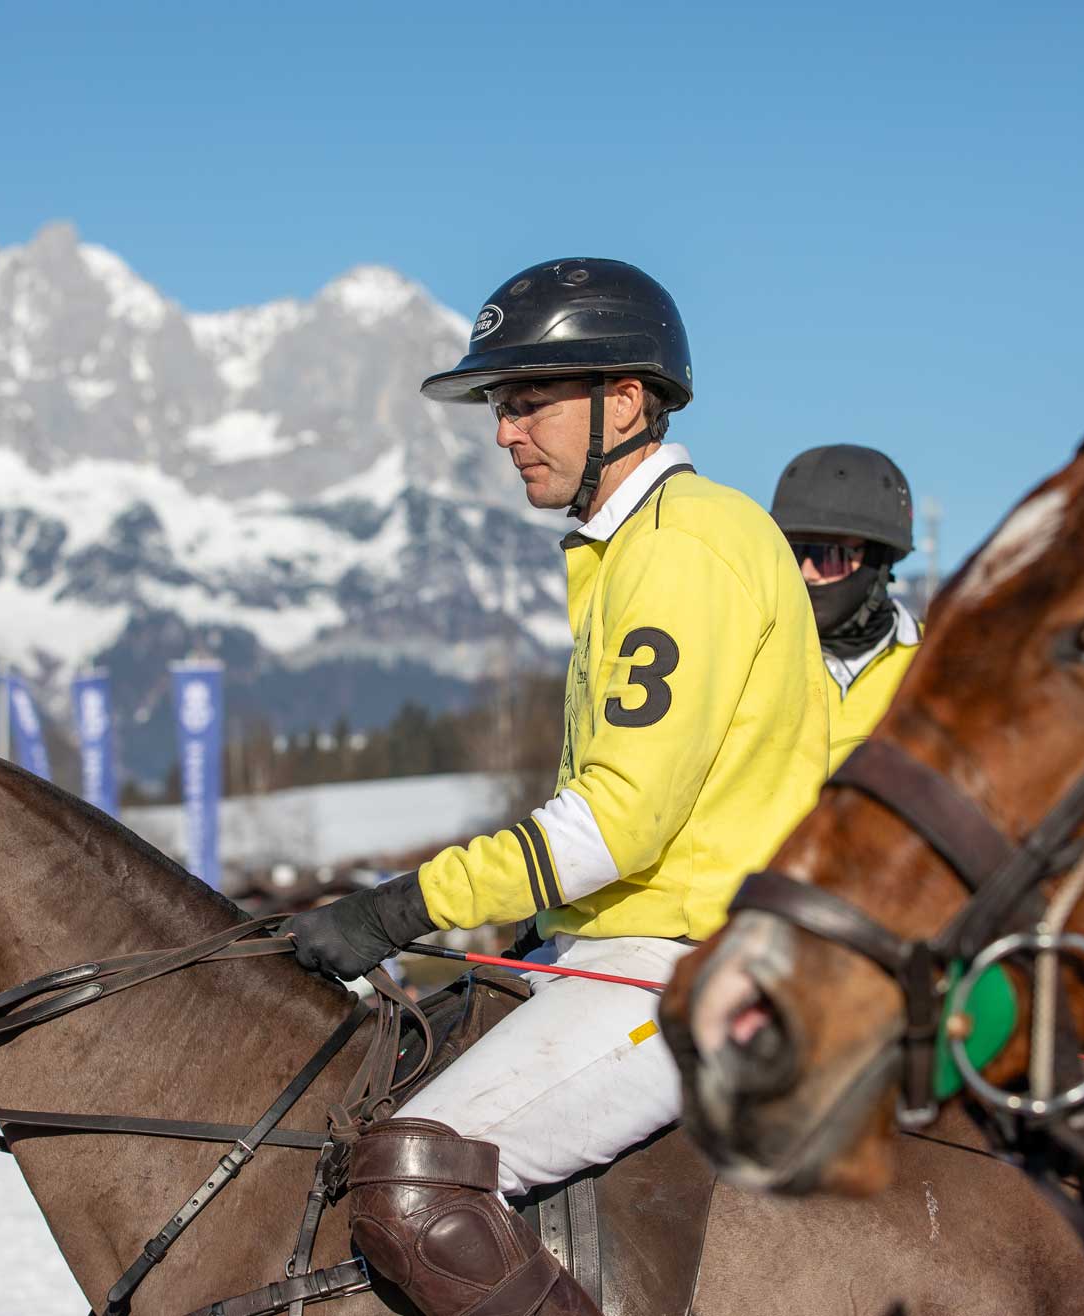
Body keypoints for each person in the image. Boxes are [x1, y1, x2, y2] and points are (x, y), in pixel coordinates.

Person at [287, 259, 828, 1315]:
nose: (503, 431)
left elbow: (614, 823)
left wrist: (402, 906)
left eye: (527, 401)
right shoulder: (635, 549)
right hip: (618, 946)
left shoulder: (680, 550)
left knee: (412, 1180)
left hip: (699, 962)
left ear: (624, 400)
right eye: (499, 403)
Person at [769, 444, 923, 769]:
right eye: (793, 554)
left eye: (829, 557)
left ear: (879, 561)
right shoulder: (754, 658)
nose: (806, 573)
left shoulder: (933, 666)